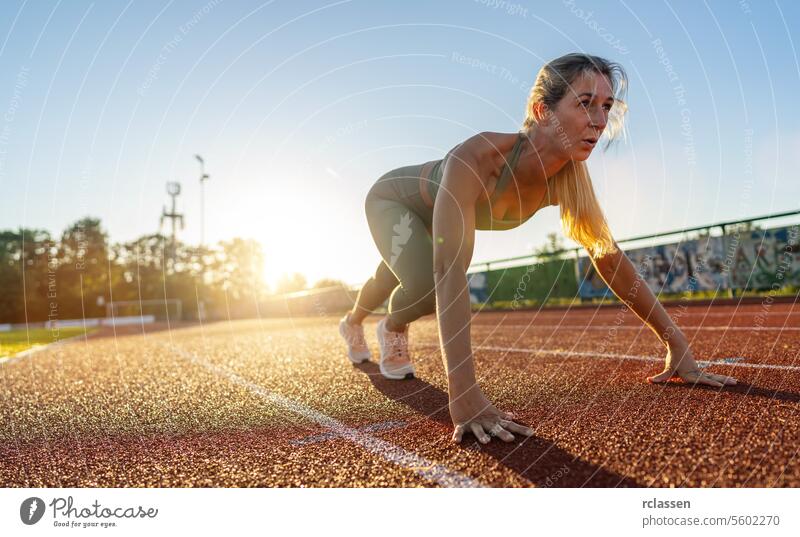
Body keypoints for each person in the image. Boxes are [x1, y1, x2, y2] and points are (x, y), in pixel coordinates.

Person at [338, 53, 738, 445]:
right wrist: (463, 393)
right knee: (422, 282)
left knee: (398, 273)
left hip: (435, 216)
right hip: (394, 201)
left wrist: (677, 343)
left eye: (606, 106)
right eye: (584, 104)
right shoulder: (478, 157)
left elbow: (610, 260)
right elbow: (450, 268)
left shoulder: (568, 178)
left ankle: (361, 321)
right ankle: (383, 325)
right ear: (542, 110)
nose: (599, 122)